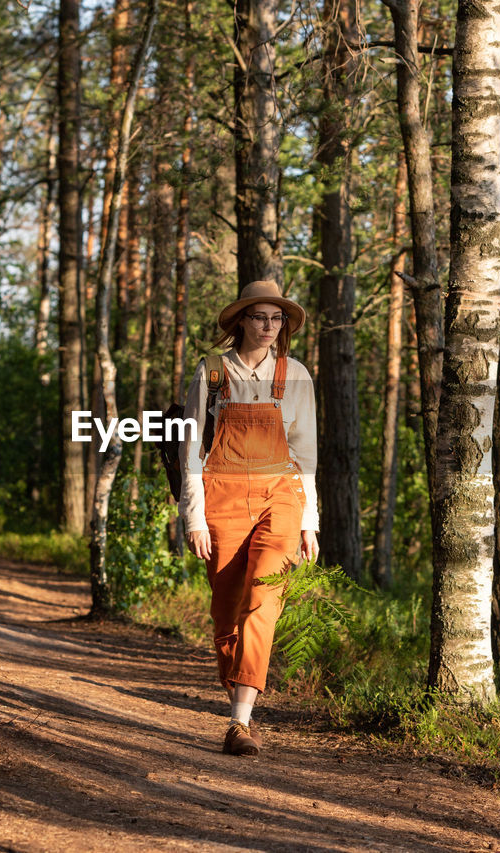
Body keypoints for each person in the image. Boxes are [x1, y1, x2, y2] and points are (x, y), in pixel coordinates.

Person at [179, 279, 319, 757]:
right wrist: (193, 517)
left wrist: (309, 520)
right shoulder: (212, 372)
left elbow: (305, 453)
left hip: (280, 495)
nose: (269, 326)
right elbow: (191, 450)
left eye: (277, 318)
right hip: (220, 494)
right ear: (241, 320)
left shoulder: (294, 373)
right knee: (227, 614)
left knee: (263, 598)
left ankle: (240, 722)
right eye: (260, 317)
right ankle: (238, 692)